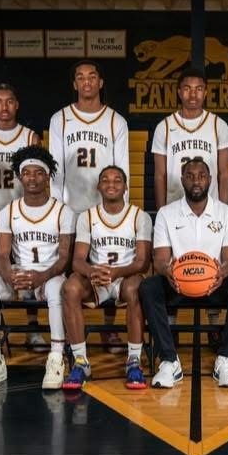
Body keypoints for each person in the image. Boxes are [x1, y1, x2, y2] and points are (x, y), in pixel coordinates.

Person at [139, 158, 228, 388]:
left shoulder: (227, 212)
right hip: (177, 283)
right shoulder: (166, 213)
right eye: (190, 176)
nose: (196, 181)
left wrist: (221, 274)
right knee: (148, 287)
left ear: (210, 180)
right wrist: (167, 270)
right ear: (182, 180)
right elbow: (159, 259)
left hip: (213, 284)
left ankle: (226, 359)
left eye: (201, 176)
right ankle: (169, 361)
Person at [0, 146, 76, 390]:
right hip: (19, 276)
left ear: (48, 176)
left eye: (39, 173)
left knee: (55, 291)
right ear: (19, 177)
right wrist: (9, 275)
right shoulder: (8, 211)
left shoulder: (63, 211)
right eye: (27, 173)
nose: (33, 178)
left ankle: (55, 357)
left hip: (50, 275)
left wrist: (41, 276)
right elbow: (1, 256)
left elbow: (64, 257)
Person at [48, 60, 130, 352]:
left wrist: (121, 212)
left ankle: (109, 330)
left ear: (100, 82)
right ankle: (70, 333)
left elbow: (122, 170)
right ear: (74, 84)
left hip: (104, 207)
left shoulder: (115, 121)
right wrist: (56, 211)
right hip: (71, 208)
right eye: (80, 77)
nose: (86, 82)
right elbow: (55, 170)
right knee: (72, 272)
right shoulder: (59, 119)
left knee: (108, 262)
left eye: (92, 76)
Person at [151, 67, 228, 333]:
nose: (193, 94)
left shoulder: (217, 124)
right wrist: (162, 208)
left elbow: (223, 172)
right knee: (174, 268)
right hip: (176, 209)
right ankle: (171, 328)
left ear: (206, 92)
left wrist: (221, 208)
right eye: (187, 88)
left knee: (209, 264)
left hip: (208, 208)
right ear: (178, 91)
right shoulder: (164, 126)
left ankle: (213, 327)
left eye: (198, 88)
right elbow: (161, 173)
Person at [61, 165, 153, 390]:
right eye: (106, 180)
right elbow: (78, 261)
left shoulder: (139, 217)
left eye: (117, 180)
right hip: (96, 279)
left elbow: (142, 262)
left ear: (125, 187)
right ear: (99, 186)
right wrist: (92, 271)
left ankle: (133, 361)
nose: (111, 184)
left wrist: (117, 272)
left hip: (125, 278)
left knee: (136, 289)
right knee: (70, 288)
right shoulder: (87, 216)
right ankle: (81, 362)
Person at [0, 83, 45, 350]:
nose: (4, 106)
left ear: (17, 105)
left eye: (9, 101)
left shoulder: (29, 137)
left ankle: (33, 328)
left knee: (27, 269)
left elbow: (39, 177)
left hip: (23, 215)